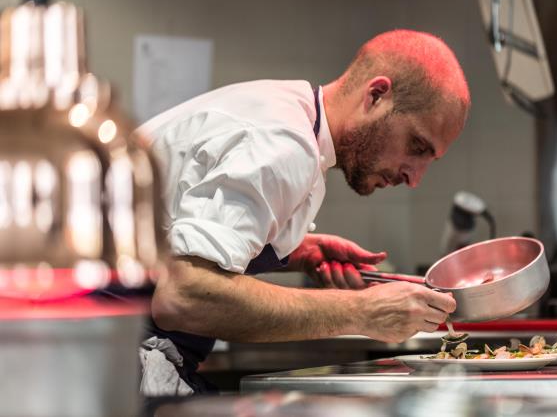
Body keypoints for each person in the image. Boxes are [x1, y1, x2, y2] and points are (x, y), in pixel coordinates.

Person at [137, 29, 470, 395]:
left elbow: (175, 232)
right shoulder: (286, 143)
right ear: (376, 95)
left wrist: (299, 252)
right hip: (114, 363)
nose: (415, 178)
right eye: (417, 145)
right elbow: (184, 296)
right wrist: (362, 312)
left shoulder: (288, 110)